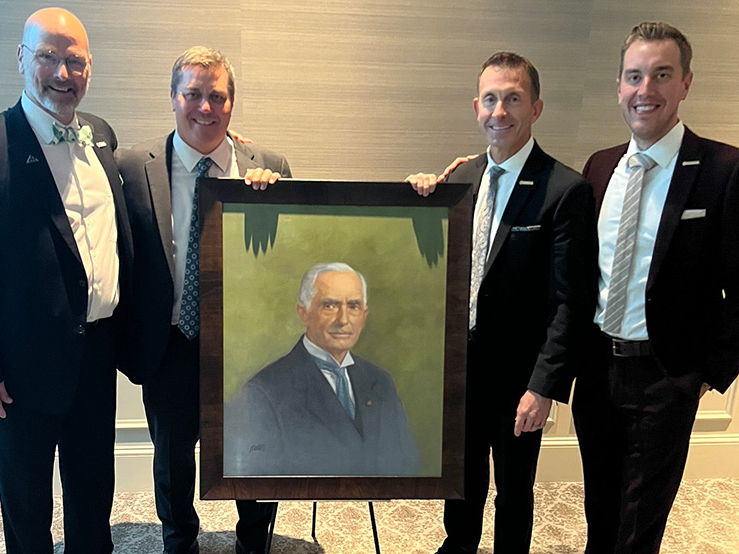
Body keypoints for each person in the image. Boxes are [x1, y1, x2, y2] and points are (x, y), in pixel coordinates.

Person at [0, 7, 135, 553]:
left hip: (97, 358)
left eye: (75, 60)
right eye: (48, 56)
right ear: (22, 58)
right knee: (27, 510)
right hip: (16, 372)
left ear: (90, 67)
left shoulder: (101, 135)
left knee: (94, 498)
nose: (62, 72)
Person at [406, 52, 596, 553]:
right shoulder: (462, 179)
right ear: (476, 107)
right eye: (490, 99)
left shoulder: (565, 189)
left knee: (514, 490)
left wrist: (544, 387)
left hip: (519, 379)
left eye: (513, 98)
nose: (500, 111)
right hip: (460, 370)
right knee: (460, 481)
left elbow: (570, 302)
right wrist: (419, 193)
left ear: (535, 107)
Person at [572, 22, 739, 554]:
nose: (646, 90)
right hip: (597, 369)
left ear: (685, 83)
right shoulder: (599, 168)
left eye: (661, 75)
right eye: (634, 76)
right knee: (598, 503)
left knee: (640, 522)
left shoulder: (724, 169)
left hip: (666, 375)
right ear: (619, 86)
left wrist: (705, 374)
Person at [116, 46, 288, 554]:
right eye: (193, 94)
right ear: (173, 98)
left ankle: (254, 543)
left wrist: (272, 198)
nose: (205, 108)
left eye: (217, 96)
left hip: (249, 345)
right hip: (170, 341)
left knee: (256, 451)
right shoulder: (132, 166)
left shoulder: (268, 167)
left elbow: (293, 253)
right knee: (171, 457)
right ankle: (178, 542)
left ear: (233, 104)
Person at [225, 262, 420, 477]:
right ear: (304, 313)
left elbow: (406, 464)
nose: (343, 320)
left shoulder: (380, 382)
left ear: (364, 316)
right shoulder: (264, 393)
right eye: (330, 305)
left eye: (353, 306)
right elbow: (258, 475)